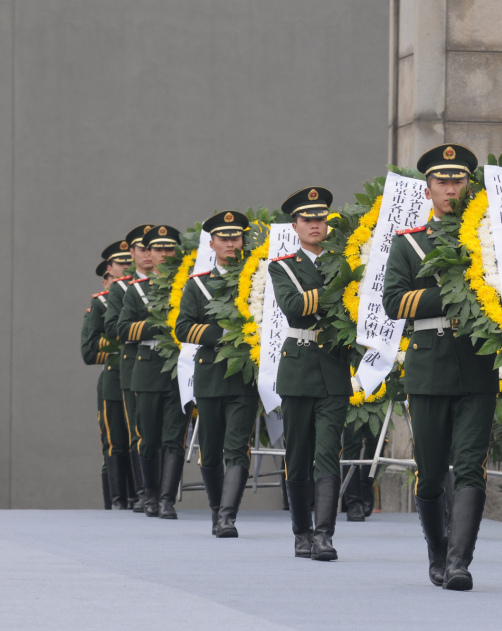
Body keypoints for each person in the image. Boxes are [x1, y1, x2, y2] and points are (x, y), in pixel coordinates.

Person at [382, 144, 498, 591]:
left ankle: (459, 562)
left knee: (470, 466)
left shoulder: (486, 239)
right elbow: (394, 302)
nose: (451, 189)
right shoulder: (408, 243)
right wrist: (456, 288)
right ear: (428, 189)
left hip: (476, 363)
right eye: (442, 182)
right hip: (429, 365)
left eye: (458, 181)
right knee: (430, 473)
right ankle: (437, 550)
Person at [269, 187, 352, 561]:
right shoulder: (282, 266)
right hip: (299, 365)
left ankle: (325, 535)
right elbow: (293, 307)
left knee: (328, 454)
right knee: (298, 455)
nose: (315, 225)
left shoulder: (345, 260)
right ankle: (301, 531)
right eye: (307, 220)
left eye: (320, 219)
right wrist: (338, 289)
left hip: (334, 364)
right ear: (295, 225)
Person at [175, 210, 259, 537]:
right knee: (210, 450)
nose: (230, 243)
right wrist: (225, 335)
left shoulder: (256, 278)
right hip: (211, 375)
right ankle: (215, 510)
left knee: (238, 448)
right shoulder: (197, 286)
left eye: (235, 238)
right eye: (223, 238)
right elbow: (182, 328)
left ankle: (228, 517)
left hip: (244, 378)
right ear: (211, 243)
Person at [117, 225, 190, 519]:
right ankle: (148, 493)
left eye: (169, 249)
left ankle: (167, 499)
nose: (164, 254)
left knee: (174, 437)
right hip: (147, 368)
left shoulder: (187, 286)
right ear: (148, 253)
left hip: (178, 369)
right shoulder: (136, 291)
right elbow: (122, 329)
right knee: (148, 436)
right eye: (158, 250)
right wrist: (158, 324)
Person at [104, 224, 154, 512]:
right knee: (139, 430)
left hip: (163, 365)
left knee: (162, 432)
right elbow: (113, 327)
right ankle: (142, 490)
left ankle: (159, 491)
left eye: (152, 248)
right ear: (133, 252)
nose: (148, 254)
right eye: (142, 249)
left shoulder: (171, 282)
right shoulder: (123, 288)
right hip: (132, 364)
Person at [82, 242, 134, 509]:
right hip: (115, 379)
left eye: (129, 261)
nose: (126, 267)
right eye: (120, 265)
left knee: (140, 439)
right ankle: (116, 502)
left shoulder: (144, 294)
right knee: (115, 443)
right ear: (108, 275)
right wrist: (120, 351)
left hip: (140, 375)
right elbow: (89, 352)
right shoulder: (101, 304)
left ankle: (140, 497)